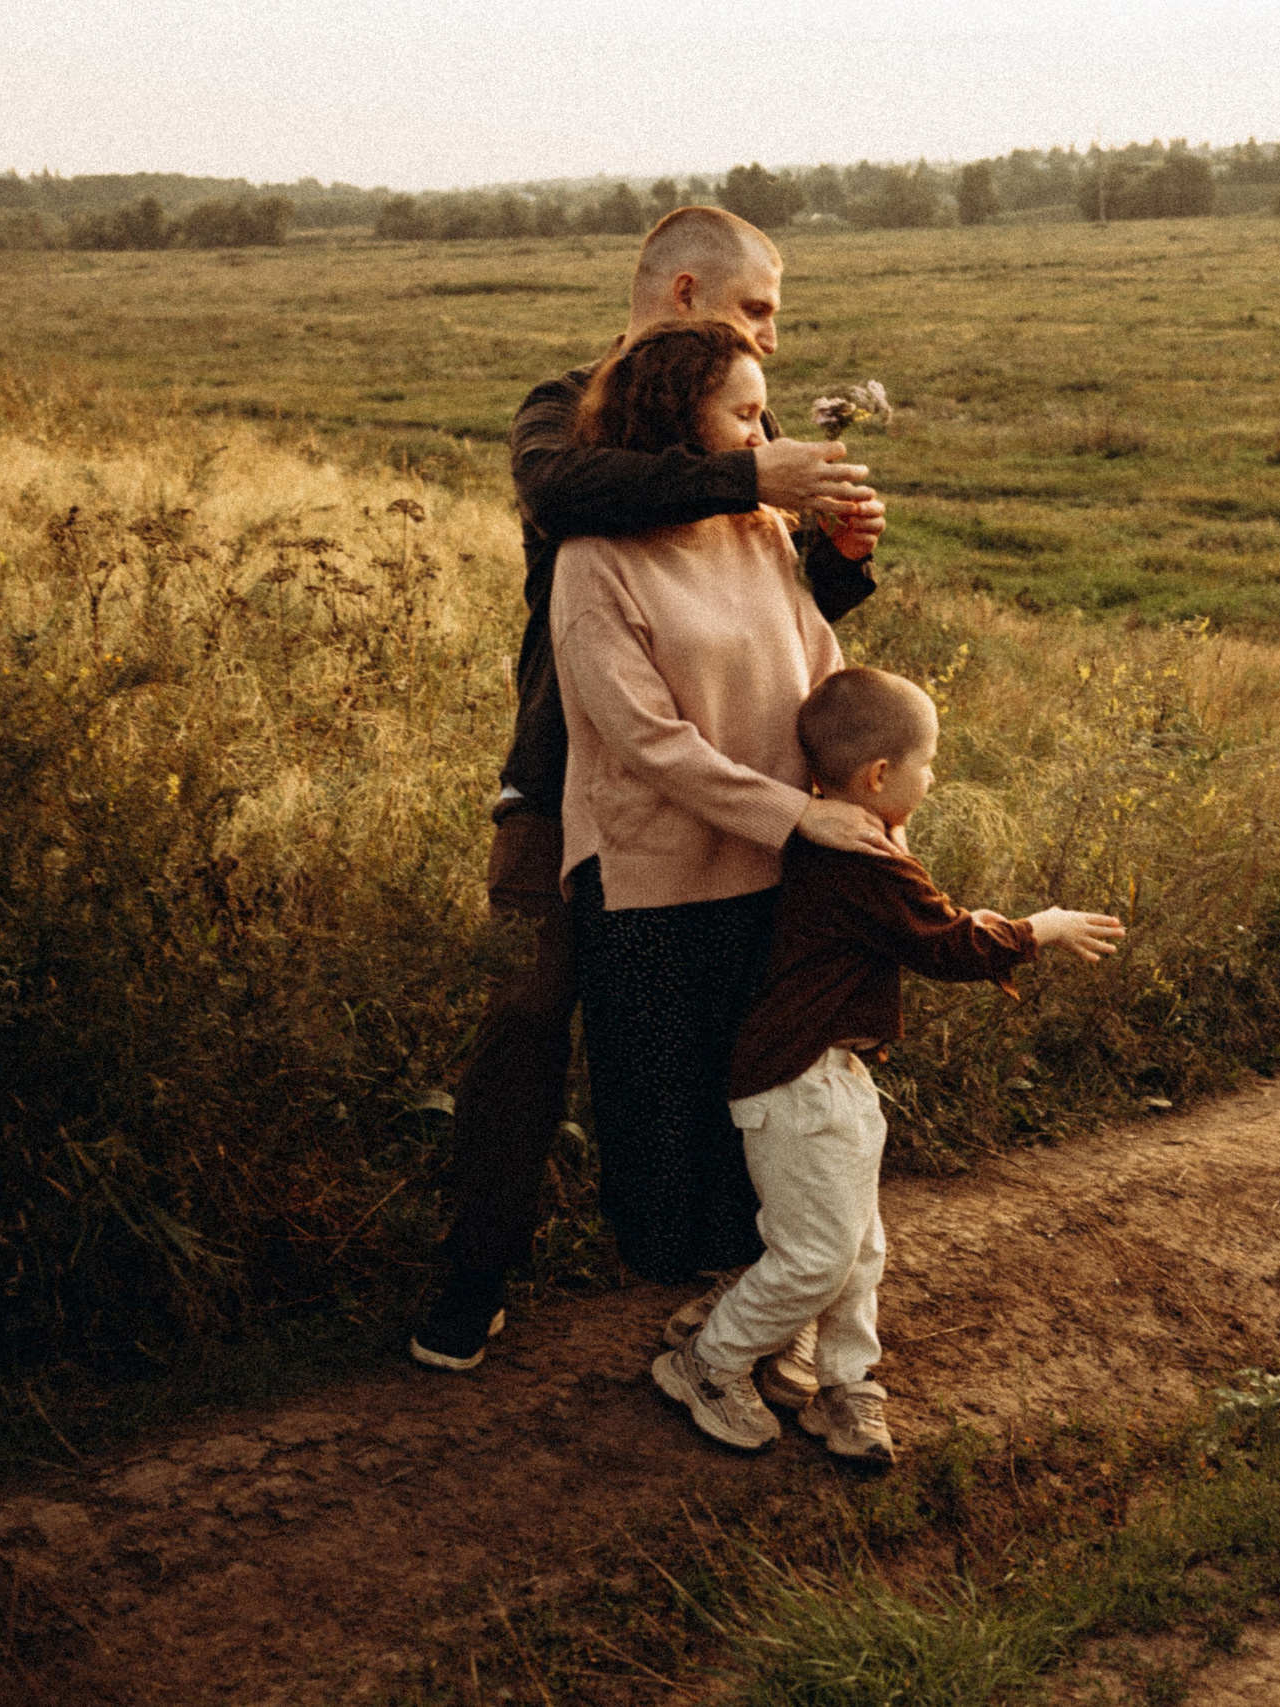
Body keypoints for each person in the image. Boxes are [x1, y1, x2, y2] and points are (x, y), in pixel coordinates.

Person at [414, 206, 886, 1372]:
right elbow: (565, 497)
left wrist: (839, 556)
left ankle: (722, 1265)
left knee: (720, 1024)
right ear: (685, 291)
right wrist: (743, 473)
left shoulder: (742, 423)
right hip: (561, 776)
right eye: (758, 310)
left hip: (717, 787)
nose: (771, 345)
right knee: (525, 1018)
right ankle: (477, 1270)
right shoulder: (564, 406)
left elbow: (758, 622)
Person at [654, 668, 1126, 1464]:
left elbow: (923, 920)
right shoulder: (864, 862)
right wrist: (1036, 929)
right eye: (929, 762)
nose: (934, 776)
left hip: (829, 1076)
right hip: (798, 1080)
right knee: (818, 1253)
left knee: (857, 1247)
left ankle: (845, 1377)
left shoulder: (852, 842)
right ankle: (708, 1361)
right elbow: (945, 942)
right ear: (880, 776)